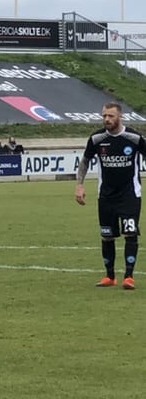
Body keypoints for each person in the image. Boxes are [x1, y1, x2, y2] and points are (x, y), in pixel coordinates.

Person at [75, 101, 146, 288]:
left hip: (130, 194)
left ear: (120, 117)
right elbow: (85, 162)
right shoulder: (97, 138)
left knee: (130, 233)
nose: (106, 119)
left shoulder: (134, 138)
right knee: (107, 235)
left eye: (111, 116)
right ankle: (110, 276)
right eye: (104, 116)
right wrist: (80, 185)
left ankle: (129, 277)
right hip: (106, 196)